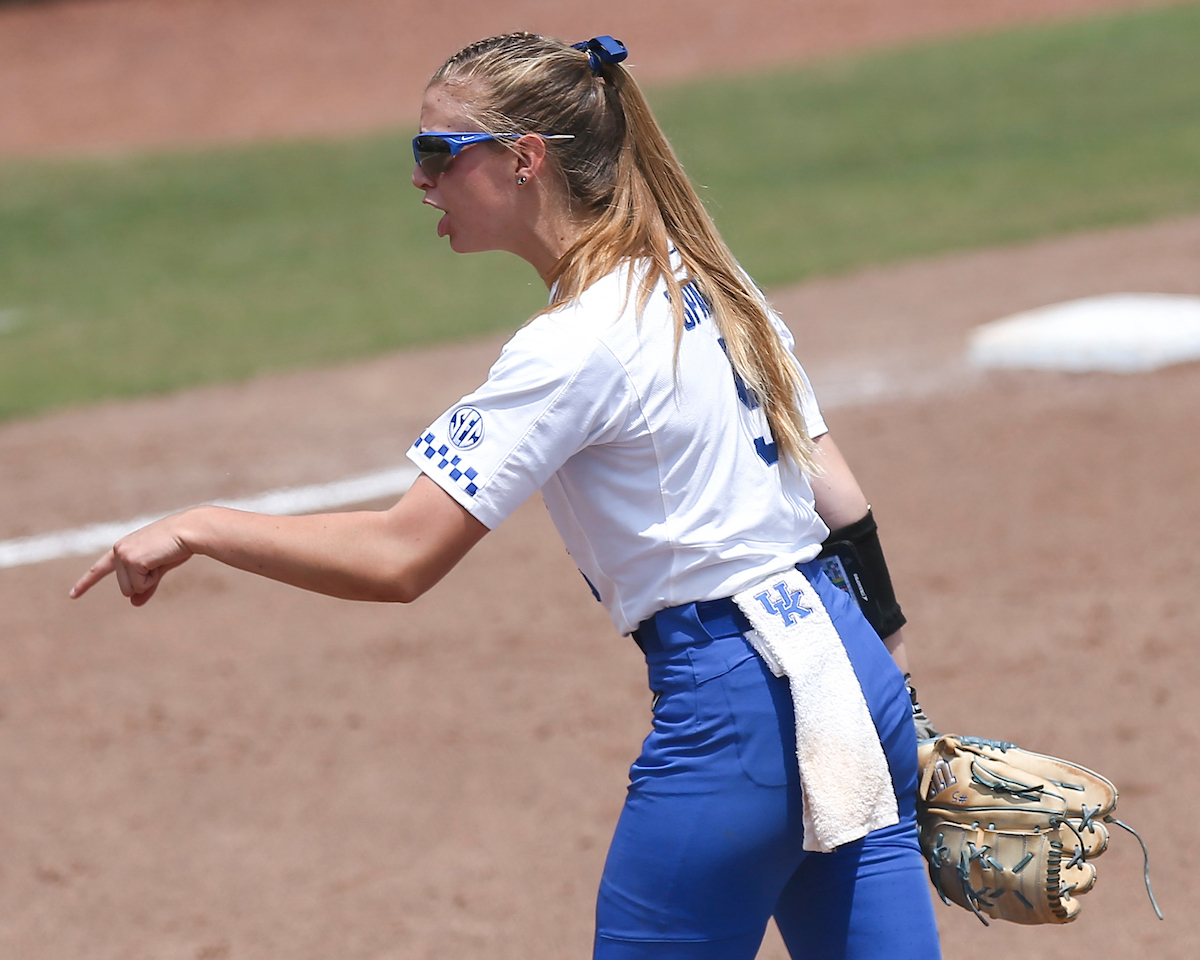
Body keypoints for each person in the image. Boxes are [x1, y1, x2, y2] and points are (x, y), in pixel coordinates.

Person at [72, 32, 942, 960]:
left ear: (524, 159)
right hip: (849, 672)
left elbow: (399, 559)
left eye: (435, 153)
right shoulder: (712, 281)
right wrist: (890, 701)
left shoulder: (572, 345)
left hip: (735, 717)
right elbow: (840, 500)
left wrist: (202, 526)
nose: (420, 181)